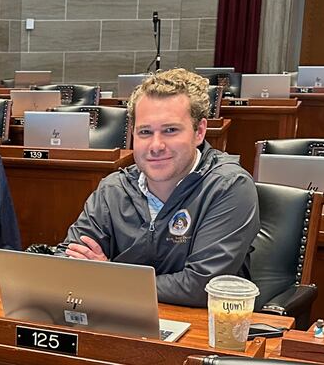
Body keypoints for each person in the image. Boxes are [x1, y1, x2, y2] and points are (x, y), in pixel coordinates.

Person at [55, 68, 260, 307]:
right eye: (145, 132)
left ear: (199, 132)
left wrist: (108, 277)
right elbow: (67, 259)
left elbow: (200, 285)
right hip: (121, 320)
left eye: (170, 130)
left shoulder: (229, 187)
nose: (156, 145)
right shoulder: (113, 189)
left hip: (202, 332)